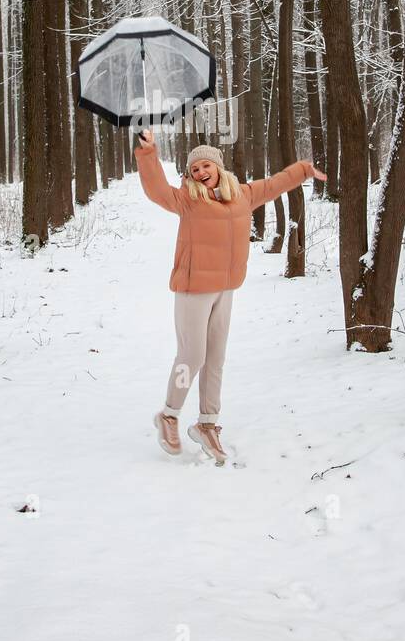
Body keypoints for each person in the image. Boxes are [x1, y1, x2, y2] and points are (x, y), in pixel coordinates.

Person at [135, 128, 328, 464]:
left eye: (206, 166)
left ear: (218, 167)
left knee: (215, 359)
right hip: (193, 289)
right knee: (192, 356)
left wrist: (303, 170)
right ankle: (168, 414)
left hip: (225, 289)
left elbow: (274, 184)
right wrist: (148, 153)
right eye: (194, 169)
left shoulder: (242, 194)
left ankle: (207, 424)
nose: (201, 173)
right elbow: (155, 189)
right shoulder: (187, 199)